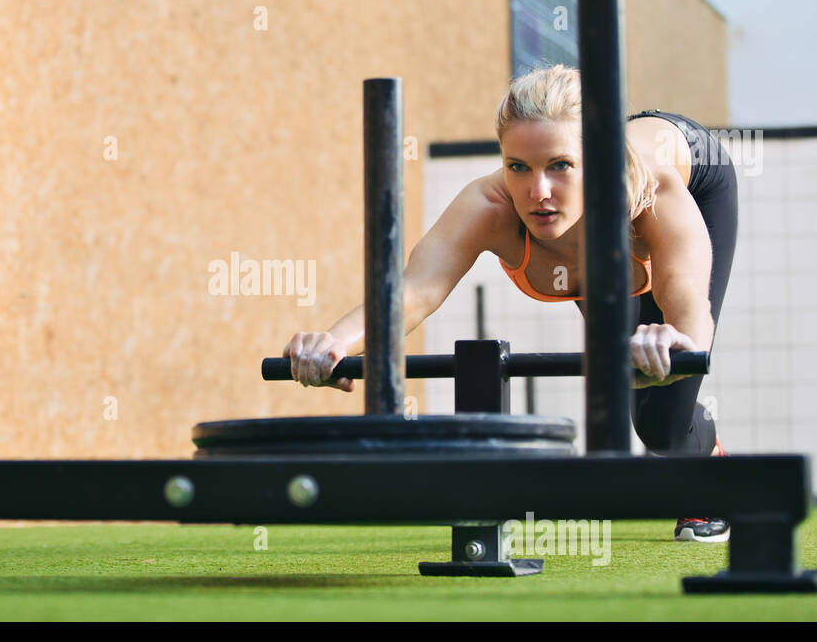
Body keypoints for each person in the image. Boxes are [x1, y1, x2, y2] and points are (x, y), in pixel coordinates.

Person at [283, 64, 737, 542]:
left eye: (560, 166)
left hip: (697, 172)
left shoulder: (656, 196)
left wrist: (673, 335)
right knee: (637, 376)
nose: (536, 192)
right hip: (601, 247)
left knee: (662, 425)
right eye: (518, 166)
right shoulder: (488, 206)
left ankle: (714, 473)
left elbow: (686, 305)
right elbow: (413, 293)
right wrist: (333, 342)